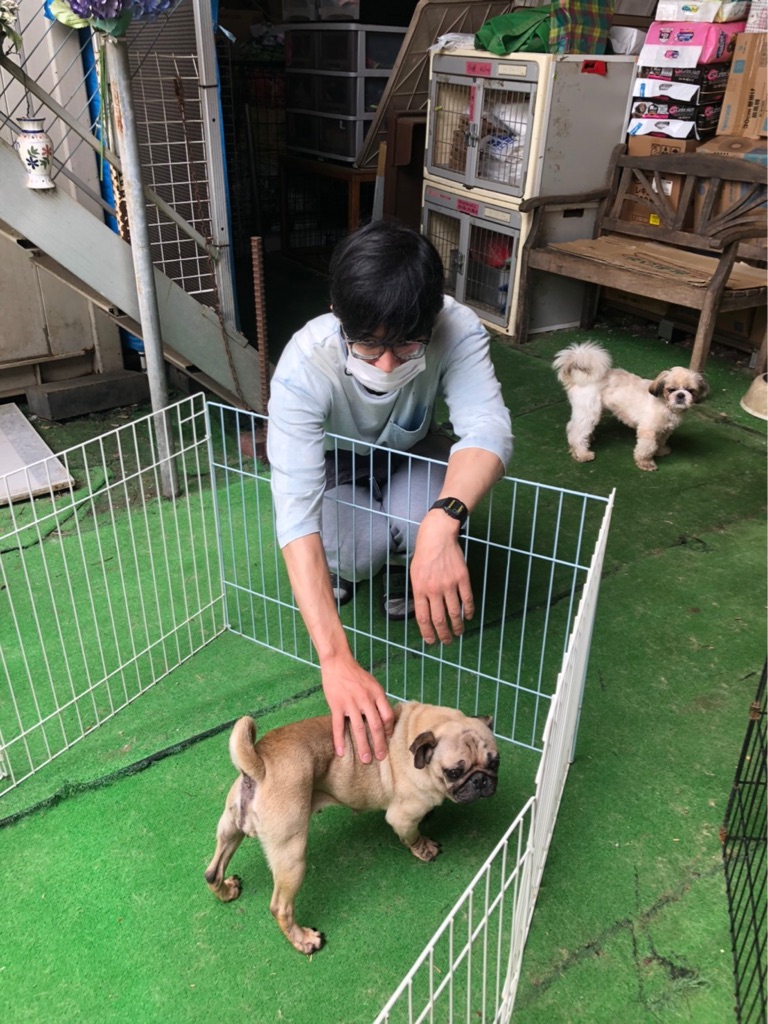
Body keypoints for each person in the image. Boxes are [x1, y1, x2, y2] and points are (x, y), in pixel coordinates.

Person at [266, 220, 513, 765]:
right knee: (358, 550)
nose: (385, 363)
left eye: (405, 344)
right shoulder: (303, 365)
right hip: (339, 468)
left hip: (413, 451)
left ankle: (411, 564)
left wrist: (443, 522)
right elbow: (295, 513)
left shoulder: (456, 327)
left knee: (424, 521)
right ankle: (345, 572)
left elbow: (488, 430)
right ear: (337, 314)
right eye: (367, 345)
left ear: (432, 319)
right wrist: (335, 658)